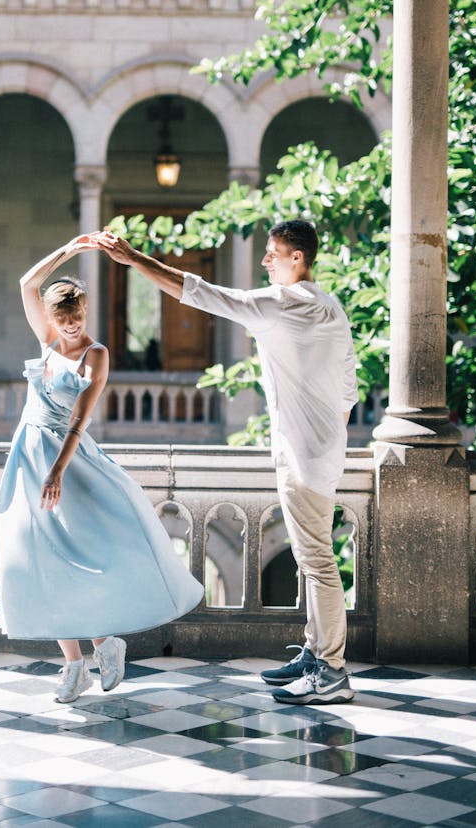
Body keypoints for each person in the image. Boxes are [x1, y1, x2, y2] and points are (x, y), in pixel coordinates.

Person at [96, 220, 358, 705]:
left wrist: (133, 259)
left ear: (296, 259)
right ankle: (316, 650)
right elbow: (348, 386)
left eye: (273, 254)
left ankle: (332, 670)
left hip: (303, 458)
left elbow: (198, 292)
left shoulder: (278, 306)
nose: (265, 261)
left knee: (318, 562)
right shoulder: (331, 307)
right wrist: (323, 431)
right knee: (311, 558)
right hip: (323, 450)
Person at [0, 235, 203, 704]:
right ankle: (74, 664)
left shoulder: (97, 355)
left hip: (68, 461)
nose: (71, 327)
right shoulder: (47, 341)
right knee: (35, 561)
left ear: (86, 314)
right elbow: (28, 283)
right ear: (52, 318)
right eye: (64, 319)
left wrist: (57, 472)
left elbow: (78, 418)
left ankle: (106, 642)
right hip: (27, 456)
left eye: (78, 318)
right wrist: (71, 248)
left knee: (81, 556)